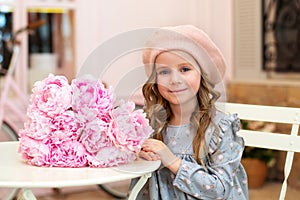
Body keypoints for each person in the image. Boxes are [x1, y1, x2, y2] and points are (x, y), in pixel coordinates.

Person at [128, 25, 248, 200]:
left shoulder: (219, 128)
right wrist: (141, 157)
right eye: (164, 72)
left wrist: (172, 161)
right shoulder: (152, 125)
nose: (174, 80)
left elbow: (220, 190)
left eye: (185, 69)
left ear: (202, 74)